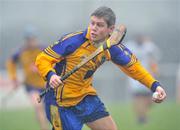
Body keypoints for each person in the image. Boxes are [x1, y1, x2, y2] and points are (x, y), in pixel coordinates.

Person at [35, 6, 166, 130]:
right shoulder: (73, 41)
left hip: (86, 97)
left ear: (111, 29)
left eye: (100, 25)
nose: (94, 28)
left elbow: (135, 68)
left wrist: (155, 86)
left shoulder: (112, 47)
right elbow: (42, 58)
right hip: (59, 103)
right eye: (92, 23)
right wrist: (50, 75)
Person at [6, 26, 49, 130]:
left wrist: (39, 69)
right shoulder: (21, 52)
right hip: (31, 85)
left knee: (45, 110)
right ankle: (44, 128)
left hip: (46, 84)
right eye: (28, 40)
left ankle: (41, 117)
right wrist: (14, 78)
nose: (31, 42)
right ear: (25, 40)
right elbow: (10, 63)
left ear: (36, 39)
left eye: (33, 39)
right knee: (38, 106)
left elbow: (54, 63)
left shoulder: (44, 49)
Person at [125, 35, 161, 124]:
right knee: (138, 97)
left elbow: (155, 59)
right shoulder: (130, 46)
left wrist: (155, 71)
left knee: (149, 99)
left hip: (147, 76)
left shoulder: (149, 47)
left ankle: (142, 114)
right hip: (134, 78)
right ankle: (141, 117)